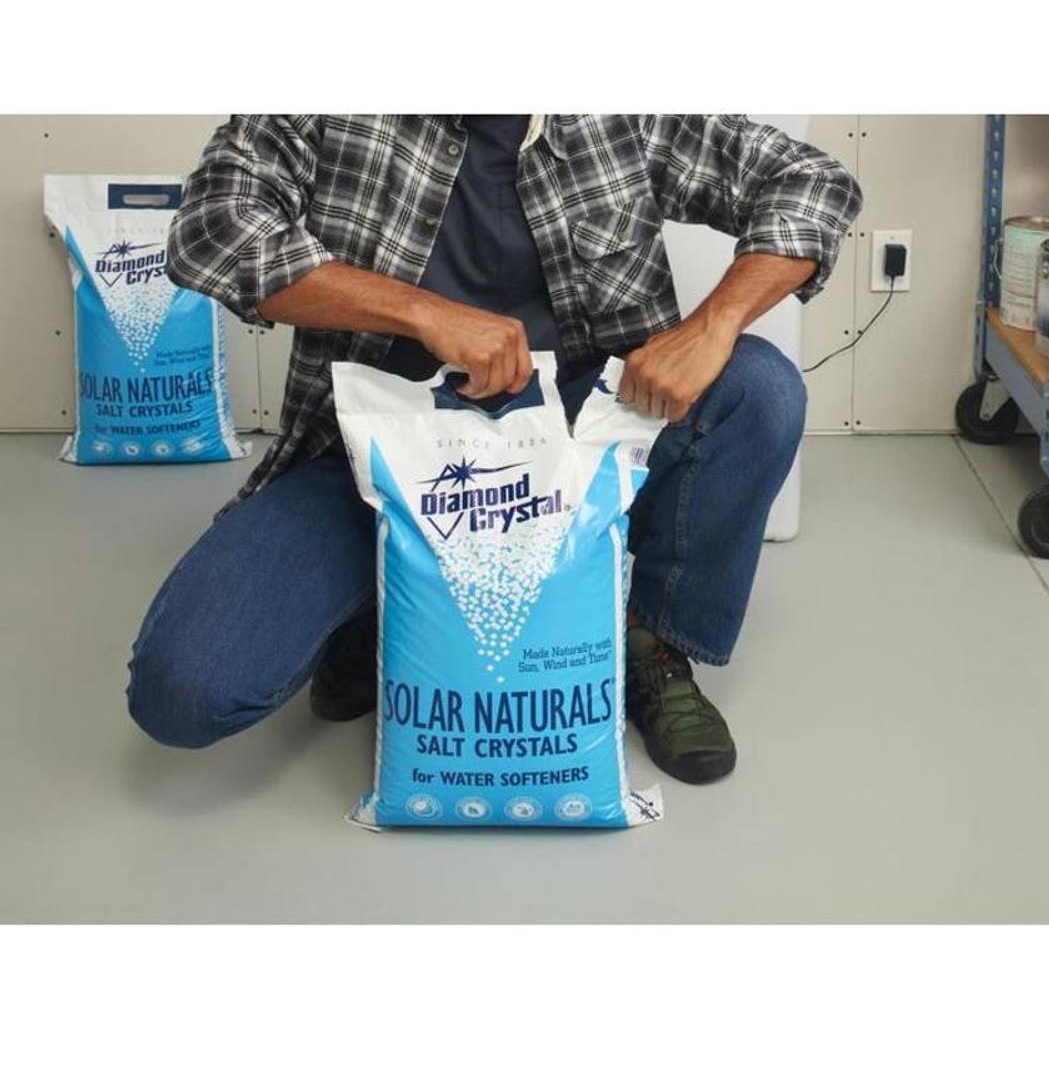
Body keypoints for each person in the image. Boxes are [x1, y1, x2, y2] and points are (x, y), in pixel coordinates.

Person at [127, 115, 861, 784]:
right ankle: (382, 607)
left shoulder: (623, 112)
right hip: (374, 462)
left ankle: (651, 640)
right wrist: (423, 312)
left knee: (759, 389)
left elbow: (813, 181)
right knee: (185, 692)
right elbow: (212, 231)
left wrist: (713, 326)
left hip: (576, 448)